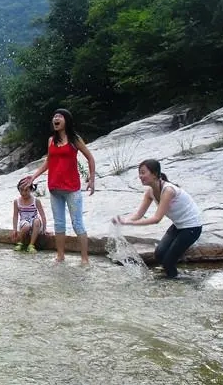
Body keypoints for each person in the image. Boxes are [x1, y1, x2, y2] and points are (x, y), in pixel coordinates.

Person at [25, 108, 95, 264]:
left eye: (59, 116)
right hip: (55, 188)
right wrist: (34, 176)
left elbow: (90, 158)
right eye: (54, 116)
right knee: (58, 223)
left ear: (66, 121)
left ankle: (84, 259)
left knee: (77, 223)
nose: (55, 119)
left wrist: (92, 179)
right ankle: (60, 256)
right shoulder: (51, 140)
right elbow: (48, 162)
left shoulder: (74, 139)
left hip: (72, 188)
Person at [112, 159, 202, 278]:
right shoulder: (150, 192)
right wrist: (123, 220)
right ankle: (175, 272)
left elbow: (156, 219)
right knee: (159, 254)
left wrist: (129, 223)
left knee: (168, 262)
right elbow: (138, 215)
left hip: (192, 227)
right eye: (139, 173)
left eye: (143, 173)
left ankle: (176, 284)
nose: (140, 176)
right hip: (178, 226)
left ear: (154, 174)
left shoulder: (168, 190)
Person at [12, 178, 48, 253]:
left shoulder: (36, 201)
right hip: (24, 222)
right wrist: (14, 230)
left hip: (35, 222)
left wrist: (44, 229)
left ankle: (31, 245)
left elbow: (43, 216)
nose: (23, 193)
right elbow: (15, 216)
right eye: (21, 190)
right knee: (26, 226)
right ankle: (21, 243)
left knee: (37, 221)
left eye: (26, 190)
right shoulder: (17, 202)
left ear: (31, 190)